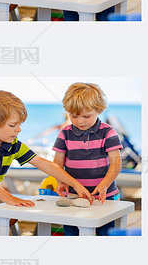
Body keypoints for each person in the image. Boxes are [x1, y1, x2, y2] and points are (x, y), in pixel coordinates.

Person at [0, 90, 93, 234]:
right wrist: (10, 198)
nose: (19, 129)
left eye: (20, 124)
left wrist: (75, 184)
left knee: (14, 214)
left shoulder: (13, 145)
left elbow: (44, 164)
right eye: (13, 125)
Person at [53, 83, 122, 236]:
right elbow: (57, 164)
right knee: (72, 234)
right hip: (73, 196)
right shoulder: (65, 133)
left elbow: (116, 164)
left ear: (99, 110)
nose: (79, 121)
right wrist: (62, 181)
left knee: (105, 235)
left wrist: (104, 186)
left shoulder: (108, 132)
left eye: (86, 116)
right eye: (74, 116)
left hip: (105, 198)